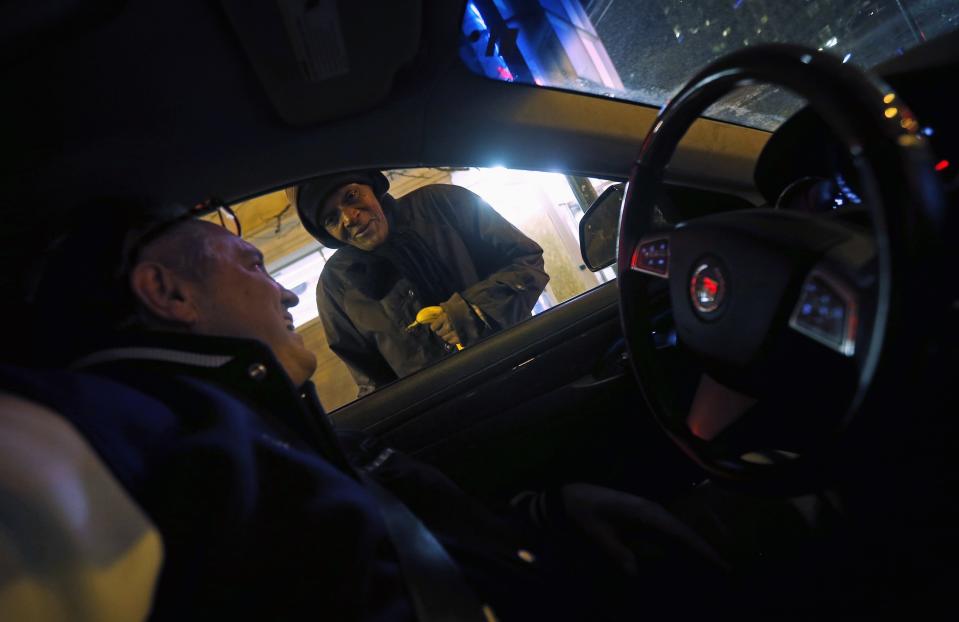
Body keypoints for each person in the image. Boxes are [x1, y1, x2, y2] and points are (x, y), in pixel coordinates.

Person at [0, 201, 725, 620]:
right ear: (170, 294)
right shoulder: (90, 437)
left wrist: (536, 521)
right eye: (250, 263)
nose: (283, 294)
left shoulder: (244, 410)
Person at [293, 171, 549, 395]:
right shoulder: (335, 287)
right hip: (454, 423)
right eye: (330, 219)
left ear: (371, 185)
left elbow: (527, 261)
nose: (349, 218)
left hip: (526, 376)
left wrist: (474, 309)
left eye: (351, 196)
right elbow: (374, 385)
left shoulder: (443, 204)